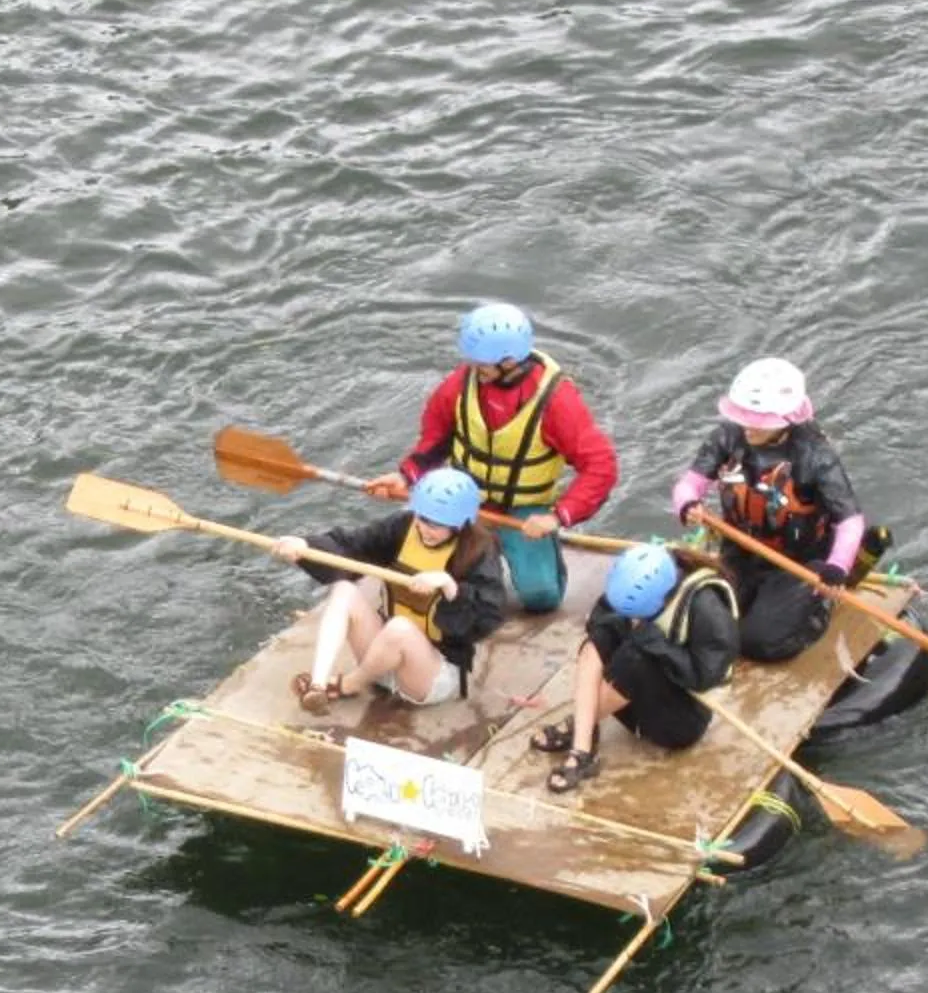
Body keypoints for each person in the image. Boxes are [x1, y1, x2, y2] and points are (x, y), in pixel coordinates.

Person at [361, 300, 619, 613]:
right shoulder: (458, 386)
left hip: (523, 510)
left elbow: (601, 467)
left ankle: (521, 555)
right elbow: (435, 440)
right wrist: (407, 475)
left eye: (481, 364)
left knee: (541, 598)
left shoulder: (557, 402)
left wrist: (557, 516)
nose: (473, 368)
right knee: (430, 583)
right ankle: (482, 555)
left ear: (509, 363)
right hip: (463, 500)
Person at [667, 356, 874, 663]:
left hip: (798, 565)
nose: (748, 426)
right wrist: (688, 503)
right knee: (703, 624)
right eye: (745, 416)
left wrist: (837, 568)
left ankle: (819, 607)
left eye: (758, 419)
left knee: (758, 642)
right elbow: (688, 485)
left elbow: (850, 522)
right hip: (740, 554)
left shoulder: (815, 456)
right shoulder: (728, 436)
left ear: (784, 420)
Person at [271, 467, 510, 711]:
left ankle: (348, 685)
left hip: (430, 674)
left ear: (460, 525)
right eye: (422, 518)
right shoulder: (404, 527)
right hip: (381, 658)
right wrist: (305, 547)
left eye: (437, 525)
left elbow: (488, 617)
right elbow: (352, 546)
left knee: (400, 629)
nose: (425, 529)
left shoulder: (481, 550)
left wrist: (450, 588)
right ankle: (318, 686)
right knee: (344, 589)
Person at [530, 544, 740, 794]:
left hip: (681, 717)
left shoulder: (706, 608)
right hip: (636, 694)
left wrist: (655, 641)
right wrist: (617, 628)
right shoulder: (632, 580)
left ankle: (581, 723)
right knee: (597, 641)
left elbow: (705, 676)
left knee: (635, 659)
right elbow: (601, 616)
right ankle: (583, 748)